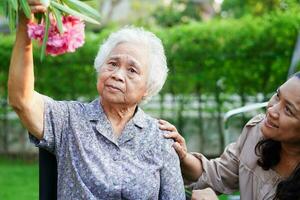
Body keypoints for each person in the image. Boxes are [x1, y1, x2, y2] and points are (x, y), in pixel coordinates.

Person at [7, 1, 185, 199]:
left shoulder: (160, 139)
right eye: (112, 63)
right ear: (100, 68)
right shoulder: (68, 120)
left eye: (132, 70)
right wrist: (26, 24)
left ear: (148, 87)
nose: (117, 74)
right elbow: (21, 100)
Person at [159, 72, 300, 200]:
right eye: (277, 95)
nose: (271, 110)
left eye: (288, 110)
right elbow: (219, 174)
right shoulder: (257, 132)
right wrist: (183, 157)